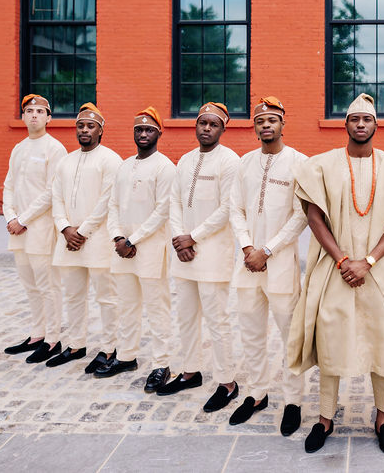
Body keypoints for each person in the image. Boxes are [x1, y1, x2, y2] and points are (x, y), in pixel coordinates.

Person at [288, 93, 384, 457]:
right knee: (332, 337)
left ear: (376, 126)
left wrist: (367, 261)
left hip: (379, 270)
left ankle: (383, 417)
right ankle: (324, 418)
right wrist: (342, 259)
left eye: (367, 120)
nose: (361, 125)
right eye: (355, 120)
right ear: (346, 125)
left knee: (381, 339)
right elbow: (314, 217)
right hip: (336, 268)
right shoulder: (321, 166)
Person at [228, 97, 308, 434]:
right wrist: (248, 247)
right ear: (255, 126)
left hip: (281, 266)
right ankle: (257, 393)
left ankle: (293, 401)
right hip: (247, 264)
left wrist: (268, 250)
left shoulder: (298, 162)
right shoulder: (245, 163)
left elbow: (302, 215)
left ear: (282, 124)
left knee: (290, 336)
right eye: (261, 120)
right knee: (251, 332)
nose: (266, 125)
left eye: (272, 120)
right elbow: (235, 208)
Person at [162, 102, 241, 415]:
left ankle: (227, 382)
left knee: (217, 320)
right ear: (195, 126)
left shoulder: (230, 162)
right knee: (186, 317)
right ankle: (191, 371)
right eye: (202, 123)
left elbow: (227, 209)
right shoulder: (185, 160)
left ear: (222, 129)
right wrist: (181, 238)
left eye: (213, 124)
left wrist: (192, 237)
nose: (206, 128)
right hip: (184, 255)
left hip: (211, 254)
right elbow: (174, 202)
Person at [98, 106, 176, 394]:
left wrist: (134, 240)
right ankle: (127, 356)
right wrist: (118, 237)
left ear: (159, 133)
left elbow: (162, 212)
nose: (143, 134)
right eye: (139, 130)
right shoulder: (124, 165)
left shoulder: (165, 167)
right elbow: (113, 205)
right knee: (127, 306)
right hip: (122, 248)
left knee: (157, 308)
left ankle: (162, 363)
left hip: (151, 250)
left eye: (149, 130)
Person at [48, 103, 123, 372]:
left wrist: (82, 231)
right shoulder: (66, 161)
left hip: (98, 240)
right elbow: (55, 197)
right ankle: (76, 344)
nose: (84, 130)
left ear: (100, 130)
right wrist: (65, 227)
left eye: (90, 126)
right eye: (80, 125)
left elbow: (107, 201)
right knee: (74, 295)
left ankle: (109, 347)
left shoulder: (111, 160)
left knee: (107, 297)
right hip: (68, 240)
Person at [2, 94, 67, 364]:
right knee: (30, 285)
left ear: (49, 117)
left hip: (40, 228)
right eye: (29, 111)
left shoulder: (54, 149)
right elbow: (9, 186)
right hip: (18, 229)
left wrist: (24, 219)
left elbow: (52, 192)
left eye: (40, 111)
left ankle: (53, 339)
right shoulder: (19, 148)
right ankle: (37, 334)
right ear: (23, 116)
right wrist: (10, 217)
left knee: (47, 285)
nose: (34, 115)